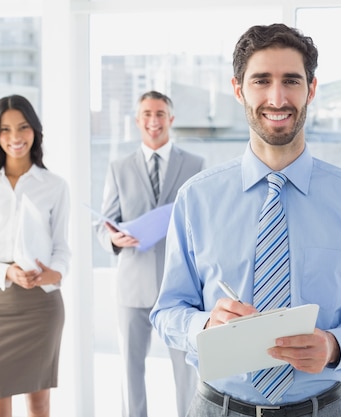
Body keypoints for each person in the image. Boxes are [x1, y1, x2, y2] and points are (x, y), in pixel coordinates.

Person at [150, 23, 341, 417]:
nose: (277, 97)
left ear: (311, 90)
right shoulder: (196, 198)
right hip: (217, 408)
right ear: (238, 89)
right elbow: (166, 312)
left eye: (291, 81)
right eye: (261, 81)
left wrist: (334, 345)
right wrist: (205, 327)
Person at [0, 95, 70, 417]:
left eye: (22, 127)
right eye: (5, 130)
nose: (15, 137)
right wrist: (6, 272)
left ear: (35, 131)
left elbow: (62, 247)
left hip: (41, 302)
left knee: (39, 404)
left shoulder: (55, 186)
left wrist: (55, 273)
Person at [95, 90, 203, 417]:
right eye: (146, 114)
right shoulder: (119, 168)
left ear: (170, 119)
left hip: (180, 289)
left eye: (159, 114)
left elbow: (204, 224)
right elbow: (103, 225)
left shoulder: (195, 165)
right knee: (131, 370)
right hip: (133, 286)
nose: (153, 121)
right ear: (137, 120)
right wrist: (114, 240)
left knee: (186, 369)